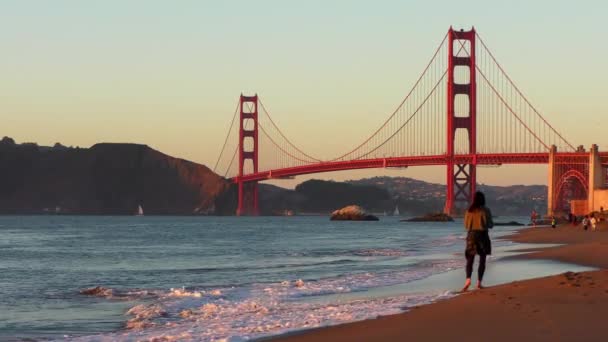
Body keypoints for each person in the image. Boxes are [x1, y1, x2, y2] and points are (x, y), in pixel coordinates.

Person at [462, 191, 494, 292]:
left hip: (471, 236)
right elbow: (490, 225)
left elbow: (466, 226)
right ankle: (479, 283)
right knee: (482, 260)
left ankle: (467, 280)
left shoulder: (469, 210)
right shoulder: (486, 210)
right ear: (483, 199)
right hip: (482, 236)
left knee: (470, 260)